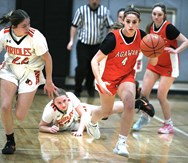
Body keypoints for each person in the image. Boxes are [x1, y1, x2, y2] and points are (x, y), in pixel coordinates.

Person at [85, 5, 157, 157]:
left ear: (139, 22)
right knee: (106, 111)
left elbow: (154, 62)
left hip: (126, 76)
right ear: (123, 21)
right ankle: (92, 120)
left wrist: (155, 52)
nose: (131, 25)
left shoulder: (143, 36)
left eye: (134, 22)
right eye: (128, 21)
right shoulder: (112, 38)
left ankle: (121, 143)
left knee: (129, 104)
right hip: (107, 78)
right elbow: (94, 60)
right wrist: (99, 80)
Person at [0, 9, 57, 154]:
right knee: (5, 106)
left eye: (29, 24)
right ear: (14, 27)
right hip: (10, 69)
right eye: (24, 26)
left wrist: (49, 81)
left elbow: (48, 58)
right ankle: (10, 141)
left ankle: (19, 93)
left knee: (20, 115)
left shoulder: (36, 37)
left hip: (31, 72)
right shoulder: (4, 34)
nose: (28, 28)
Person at [132, 2, 188, 133]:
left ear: (164, 15)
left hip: (169, 65)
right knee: (143, 94)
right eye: (154, 14)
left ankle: (168, 124)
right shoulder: (150, 27)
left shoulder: (169, 28)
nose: (156, 17)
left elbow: (186, 41)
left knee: (161, 96)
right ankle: (145, 117)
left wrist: (176, 50)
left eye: (159, 14)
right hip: (155, 64)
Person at [39, 88, 152, 136]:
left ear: (67, 98)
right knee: (103, 115)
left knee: (104, 111)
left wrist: (79, 131)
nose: (63, 105)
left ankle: (137, 103)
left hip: (78, 114)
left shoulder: (70, 97)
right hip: (71, 125)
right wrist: (49, 129)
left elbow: (83, 114)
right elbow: (41, 127)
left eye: (64, 101)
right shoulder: (49, 111)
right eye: (59, 103)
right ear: (53, 103)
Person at [67, 0, 114, 97]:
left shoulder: (105, 11)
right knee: (82, 68)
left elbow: (110, 27)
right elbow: (74, 26)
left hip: (97, 46)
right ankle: (77, 89)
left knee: (93, 69)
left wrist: (109, 42)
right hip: (83, 45)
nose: (94, 1)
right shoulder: (81, 10)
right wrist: (71, 40)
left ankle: (90, 87)